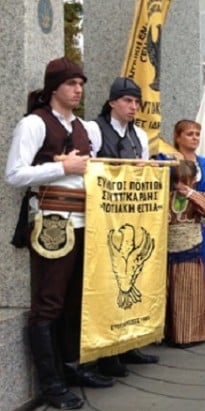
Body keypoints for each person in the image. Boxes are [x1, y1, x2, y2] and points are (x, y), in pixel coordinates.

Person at [5, 57, 114, 410]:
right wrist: (61, 166)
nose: (78, 89)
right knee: (49, 302)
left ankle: (71, 368)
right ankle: (51, 385)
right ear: (55, 87)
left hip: (85, 222)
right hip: (52, 221)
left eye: (81, 83)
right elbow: (14, 174)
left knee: (76, 299)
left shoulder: (84, 127)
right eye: (71, 83)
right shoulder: (34, 124)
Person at [88, 77, 159, 377]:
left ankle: (130, 342)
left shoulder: (139, 136)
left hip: (131, 214)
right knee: (110, 282)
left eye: (137, 102)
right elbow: (91, 170)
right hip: (105, 217)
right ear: (112, 102)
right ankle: (108, 352)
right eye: (128, 101)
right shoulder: (93, 129)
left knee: (134, 279)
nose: (134, 107)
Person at [170, 120, 205, 335]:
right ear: (178, 137)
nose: (195, 137)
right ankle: (178, 326)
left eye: (197, 134)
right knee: (178, 277)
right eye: (189, 134)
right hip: (178, 226)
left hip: (202, 224)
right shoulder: (168, 162)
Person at [165, 160, 205, 347]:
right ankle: (173, 332)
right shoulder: (167, 197)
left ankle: (192, 333)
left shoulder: (198, 197)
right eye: (177, 182)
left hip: (190, 250)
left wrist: (192, 194)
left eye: (184, 182)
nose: (180, 187)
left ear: (193, 180)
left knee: (190, 293)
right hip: (170, 250)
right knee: (173, 293)